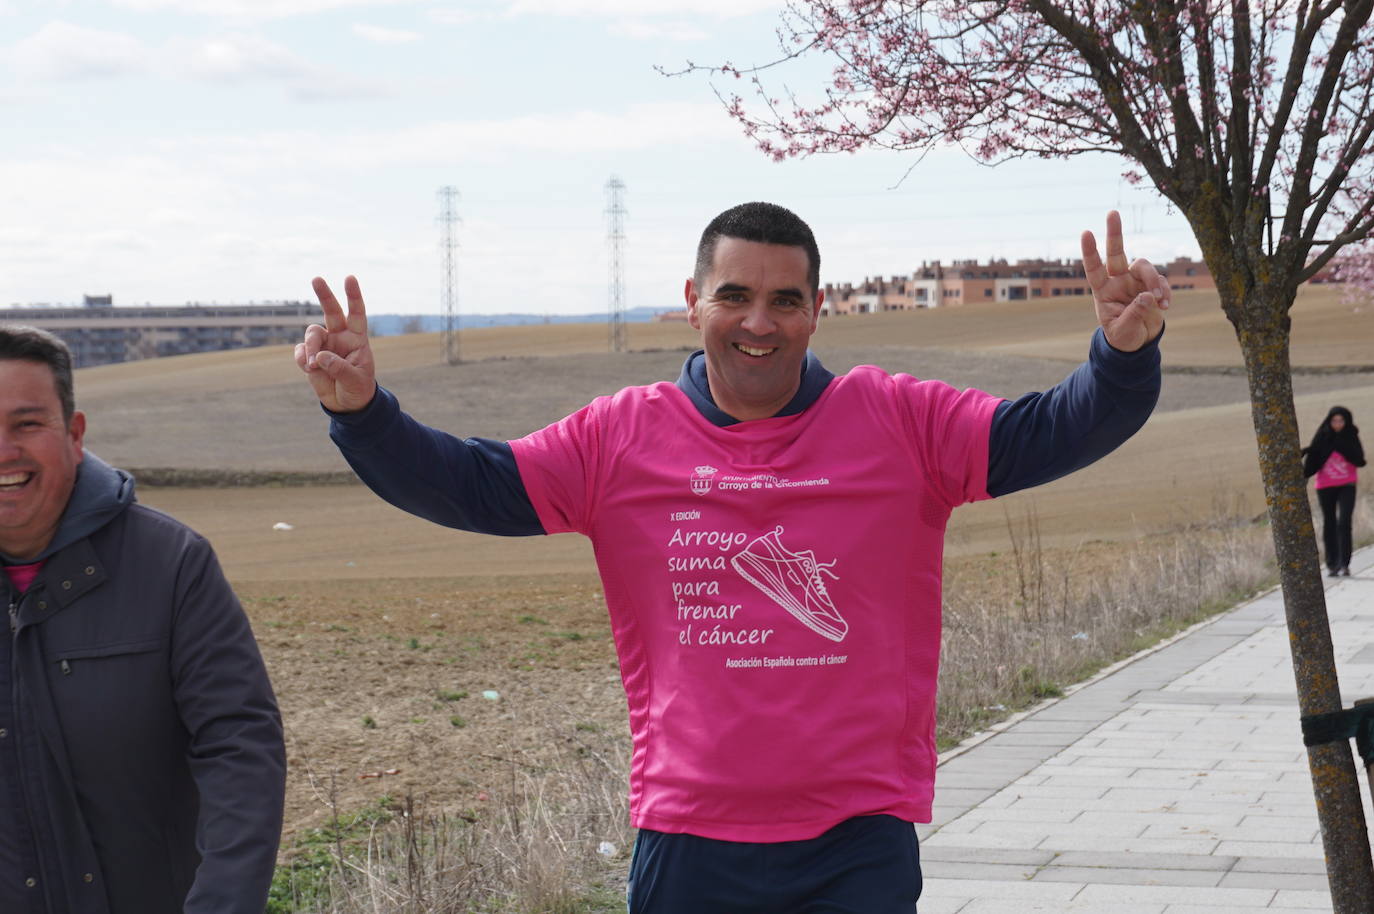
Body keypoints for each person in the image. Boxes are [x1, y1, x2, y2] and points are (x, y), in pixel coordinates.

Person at [297, 203, 1167, 913]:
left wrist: (1121, 360)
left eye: (787, 300)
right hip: (691, 842)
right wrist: (367, 416)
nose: (760, 322)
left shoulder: (899, 423)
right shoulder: (620, 439)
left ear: (816, 311)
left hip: (856, 840)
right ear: (692, 300)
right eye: (736, 295)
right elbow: (471, 485)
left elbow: (1053, 428)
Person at [0, 325, 286, 914]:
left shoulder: (172, 565)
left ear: (75, 435)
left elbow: (239, 746)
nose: (5, 451)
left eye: (26, 424)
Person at [1303, 405, 1365, 577]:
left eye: (1341, 421)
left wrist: (1341, 446)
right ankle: (1332, 564)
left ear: (1347, 422)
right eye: (1334, 421)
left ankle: (1344, 563)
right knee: (1329, 523)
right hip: (1325, 486)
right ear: (1329, 422)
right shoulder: (1323, 436)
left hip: (1347, 485)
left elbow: (1360, 460)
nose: (1337, 424)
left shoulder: (1351, 436)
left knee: (1344, 522)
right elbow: (1313, 460)